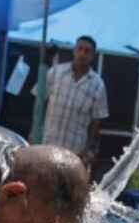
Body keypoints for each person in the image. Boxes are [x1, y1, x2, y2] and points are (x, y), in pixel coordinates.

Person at [40, 35, 108, 166]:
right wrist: (34, 133)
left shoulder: (97, 85)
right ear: (74, 50)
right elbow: (39, 104)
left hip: (73, 154)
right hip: (47, 146)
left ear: (93, 55)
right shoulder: (54, 73)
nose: (82, 53)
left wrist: (90, 151)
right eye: (80, 48)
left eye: (87, 51)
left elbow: (96, 123)